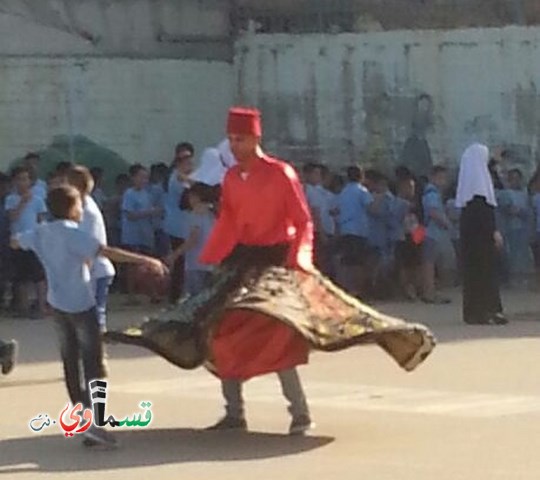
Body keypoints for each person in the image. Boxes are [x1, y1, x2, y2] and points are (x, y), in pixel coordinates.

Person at [105, 107, 435, 436]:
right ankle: (234, 413)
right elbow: (230, 222)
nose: (235, 145)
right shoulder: (232, 178)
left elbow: (302, 220)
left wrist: (299, 259)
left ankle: (300, 413)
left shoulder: (280, 173)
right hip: (242, 261)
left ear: (255, 138)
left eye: (241, 139)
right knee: (219, 327)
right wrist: (214, 257)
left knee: (280, 329)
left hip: (279, 260)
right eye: (231, 139)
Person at [10, 185, 166, 446]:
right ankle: (97, 421)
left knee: (70, 362)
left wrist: (27, 240)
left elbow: (16, 241)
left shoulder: (41, 231)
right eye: (79, 205)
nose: (82, 209)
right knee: (93, 365)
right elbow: (106, 252)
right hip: (81, 304)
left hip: (57, 304)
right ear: (72, 208)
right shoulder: (74, 234)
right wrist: (145, 260)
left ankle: (84, 420)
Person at [456, 144, 507, 325]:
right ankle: (489, 310)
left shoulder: (468, 194)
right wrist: (493, 232)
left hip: (472, 242)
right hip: (483, 241)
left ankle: (475, 312)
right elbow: (485, 216)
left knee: (473, 275)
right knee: (485, 274)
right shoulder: (480, 193)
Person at [67, 166, 116, 335]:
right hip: (92, 269)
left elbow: (89, 248)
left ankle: (98, 354)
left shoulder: (87, 212)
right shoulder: (82, 204)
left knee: (94, 316)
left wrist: (82, 276)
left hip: (96, 271)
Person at [5, 166, 47, 318]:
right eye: (19, 179)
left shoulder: (37, 199)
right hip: (16, 241)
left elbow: (42, 220)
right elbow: (12, 217)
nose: (23, 182)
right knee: (20, 276)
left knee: (38, 275)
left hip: (34, 241)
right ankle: (23, 308)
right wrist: (22, 202)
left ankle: (41, 307)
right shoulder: (11, 199)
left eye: (25, 179)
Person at [165, 183, 215, 297]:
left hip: (196, 262)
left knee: (194, 297)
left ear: (196, 197)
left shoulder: (195, 215)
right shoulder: (212, 214)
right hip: (211, 262)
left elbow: (193, 239)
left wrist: (174, 255)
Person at [121, 164, 162, 304]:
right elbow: (130, 215)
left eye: (146, 177)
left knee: (149, 264)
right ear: (133, 178)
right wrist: (149, 212)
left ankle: (152, 293)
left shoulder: (147, 194)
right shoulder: (129, 194)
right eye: (141, 177)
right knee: (132, 266)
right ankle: (131, 295)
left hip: (146, 234)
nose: (144, 180)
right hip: (132, 236)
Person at [336, 166, 374, 297]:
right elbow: (371, 208)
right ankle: (357, 290)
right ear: (361, 177)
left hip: (345, 229)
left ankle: (347, 289)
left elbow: (337, 210)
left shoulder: (343, 192)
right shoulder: (362, 191)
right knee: (358, 262)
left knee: (347, 262)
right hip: (358, 230)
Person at [163, 143, 194, 305]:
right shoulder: (177, 178)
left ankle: (177, 295)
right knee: (180, 263)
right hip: (177, 225)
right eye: (188, 162)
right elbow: (188, 199)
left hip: (180, 225)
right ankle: (174, 297)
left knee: (182, 262)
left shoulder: (180, 177)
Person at [421, 166, 455, 304]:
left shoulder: (432, 193)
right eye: (441, 178)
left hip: (430, 233)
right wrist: (447, 224)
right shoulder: (431, 193)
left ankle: (432, 291)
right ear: (433, 177)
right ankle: (429, 292)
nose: (444, 181)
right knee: (430, 263)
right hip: (431, 233)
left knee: (431, 263)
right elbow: (433, 212)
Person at [503, 169, 534, 288]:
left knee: (524, 255)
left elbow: (528, 211)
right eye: (512, 178)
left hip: (524, 229)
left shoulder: (524, 194)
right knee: (513, 255)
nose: (515, 181)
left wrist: (521, 212)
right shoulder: (505, 193)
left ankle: (524, 280)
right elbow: (509, 209)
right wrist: (520, 212)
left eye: (517, 178)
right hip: (511, 229)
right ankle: (513, 280)